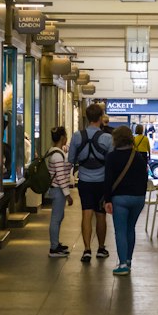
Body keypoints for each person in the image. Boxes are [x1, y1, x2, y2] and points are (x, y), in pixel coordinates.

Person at [68, 102, 114, 263]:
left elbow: (71, 159)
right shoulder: (107, 138)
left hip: (85, 181)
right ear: (101, 118)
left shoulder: (77, 136)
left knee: (86, 213)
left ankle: (87, 250)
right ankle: (101, 248)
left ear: (87, 118)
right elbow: (112, 162)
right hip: (102, 182)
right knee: (101, 216)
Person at [102, 124, 149, 275]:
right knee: (130, 229)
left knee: (120, 231)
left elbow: (108, 180)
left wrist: (107, 199)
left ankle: (122, 264)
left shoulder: (112, 157)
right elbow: (144, 178)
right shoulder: (138, 157)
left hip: (120, 199)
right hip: (138, 198)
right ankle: (128, 260)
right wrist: (142, 196)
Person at [44, 125, 73, 258]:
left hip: (55, 190)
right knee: (56, 219)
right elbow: (61, 177)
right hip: (58, 191)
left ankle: (56, 244)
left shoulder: (55, 152)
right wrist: (68, 195)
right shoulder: (57, 156)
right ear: (62, 138)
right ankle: (53, 248)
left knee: (59, 217)